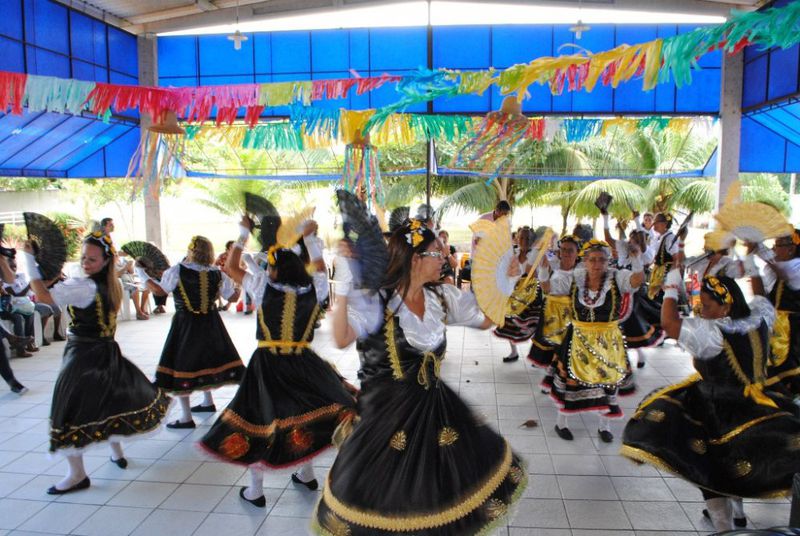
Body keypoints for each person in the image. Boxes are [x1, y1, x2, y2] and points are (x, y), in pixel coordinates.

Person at [313, 219, 526, 535]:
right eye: (436, 253)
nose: (445, 258)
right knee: (387, 502)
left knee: (433, 497)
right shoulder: (376, 301)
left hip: (435, 411)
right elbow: (342, 337)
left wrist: (504, 282)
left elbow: (487, 320)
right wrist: (343, 284)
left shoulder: (442, 297)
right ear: (415, 258)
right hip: (385, 419)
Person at [622, 271, 800, 531]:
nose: (700, 310)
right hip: (761, 404)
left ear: (726, 305)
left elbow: (670, 324)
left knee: (710, 469)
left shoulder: (712, 333)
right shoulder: (759, 316)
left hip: (720, 410)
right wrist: (749, 258)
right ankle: (738, 514)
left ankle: (723, 526)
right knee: (737, 463)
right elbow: (761, 295)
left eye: (706, 305)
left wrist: (671, 285)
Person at [200, 218, 356, 508]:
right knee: (304, 413)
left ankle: (255, 491)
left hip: (267, 365)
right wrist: (310, 238)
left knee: (263, 421)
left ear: (273, 268)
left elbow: (232, 267)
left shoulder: (263, 286)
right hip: (302, 362)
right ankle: (306, 474)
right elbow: (321, 267)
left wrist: (243, 232)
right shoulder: (315, 288)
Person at [14, 231, 170, 494]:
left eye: (92, 259)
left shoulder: (83, 287)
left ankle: (77, 475)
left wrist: (29, 260)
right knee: (109, 401)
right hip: (107, 353)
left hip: (83, 356)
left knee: (67, 411)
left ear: (106, 261)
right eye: (84, 257)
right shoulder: (112, 285)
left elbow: (43, 297)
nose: (86, 262)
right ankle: (116, 453)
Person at [137, 236, 245, 428]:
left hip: (186, 324)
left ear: (191, 251)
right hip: (211, 323)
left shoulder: (178, 270)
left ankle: (186, 417)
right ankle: (207, 401)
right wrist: (238, 282)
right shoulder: (217, 274)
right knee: (205, 359)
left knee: (183, 366)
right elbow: (234, 297)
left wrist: (142, 274)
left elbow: (160, 292)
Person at [545, 239, 644, 443]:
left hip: (609, 341)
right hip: (578, 338)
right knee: (570, 382)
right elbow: (548, 288)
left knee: (608, 383)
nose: (597, 264)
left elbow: (636, 281)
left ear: (608, 261)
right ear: (584, 261)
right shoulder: (574, 279)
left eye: (601, 260)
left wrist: (637, 260)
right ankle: (561, 422)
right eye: (592, 260)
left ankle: (604, 426)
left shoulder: (617, 278)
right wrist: (543, 270)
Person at [747, 231, 800, 395]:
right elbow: (761, 296)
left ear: (791, 249)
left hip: (791, 330)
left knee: (785, 369)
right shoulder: (777, 271)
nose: (774, 249)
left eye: (777, 246)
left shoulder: (795, 267)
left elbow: (782, 270)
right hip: (775, 326)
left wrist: (758, 248)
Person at [528, 235, 579, 389]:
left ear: (577, 253)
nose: (566, 253)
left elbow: (547, 287)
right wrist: (543, 266)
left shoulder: (580, 271)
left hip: (568, 314)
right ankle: (552, 378)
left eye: (570, 250)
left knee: (563, 348)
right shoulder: (555, 263)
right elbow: (545, 287)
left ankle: (556, 380)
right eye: (563, 249)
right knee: (551, 347)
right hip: (551, 310)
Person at [495, 227, 543, 363]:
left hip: (532, 296)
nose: (524, 241)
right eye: (522, 238)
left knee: (535, 327)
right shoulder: (512, 255)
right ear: (517, 239)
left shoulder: (536, 255)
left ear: (532, 240)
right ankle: (514, 352)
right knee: (509, 323)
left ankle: (536, 355)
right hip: (514, 296)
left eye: (528, 238)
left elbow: (538, 275)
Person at [1, 255, 64, 347]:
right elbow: (15, 295)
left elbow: (35, 288)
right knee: (26, 315)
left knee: (52, 308)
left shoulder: (20, 275)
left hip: (30, 301)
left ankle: (31, 342)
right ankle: (23, 346)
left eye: (15, 266)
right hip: (17, 305)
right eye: (11, 267)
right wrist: (29, 286)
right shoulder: (5, 280)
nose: (13, 269)